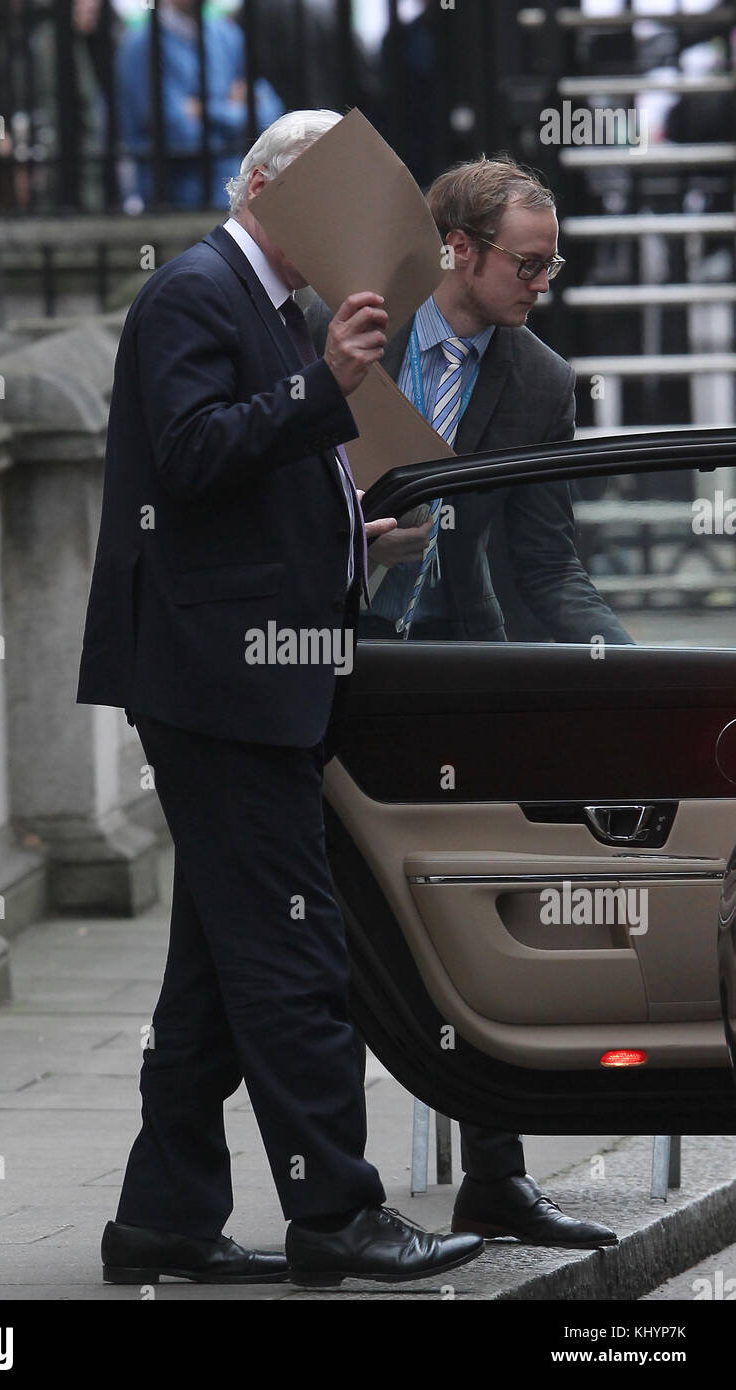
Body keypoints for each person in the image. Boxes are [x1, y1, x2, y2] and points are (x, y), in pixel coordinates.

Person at [76, 108, 485, 1286]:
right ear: (263, 189)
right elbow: (195, 455)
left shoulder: (269, 306)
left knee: (214, 974)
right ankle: (336, 1214)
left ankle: (162, 1218)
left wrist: (356, 530)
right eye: (327, 192)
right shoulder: (195, 295)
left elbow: (250, 491)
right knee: (297, 958)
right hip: (222, 683)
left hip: (255, 672)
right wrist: (330, 381)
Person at [305, 154, 625, 1247]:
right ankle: (332, 1192)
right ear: (461, 251)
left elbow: (547, 562)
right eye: (528, 264)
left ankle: (497, 1175)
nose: (544, 282)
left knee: (482, 906)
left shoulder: (536, 379)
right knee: (328, 916)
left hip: (454, 658)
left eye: (551, 264)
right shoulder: (356, 328)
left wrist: (616, 667)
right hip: (337, 650)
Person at [117, 0, 283, 209]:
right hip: (174, 201)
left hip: (233, 195)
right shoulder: (140, 44)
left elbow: (269, 113)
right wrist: (232, 110)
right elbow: (176, 131)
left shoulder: (227, 34)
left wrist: (204, 110)